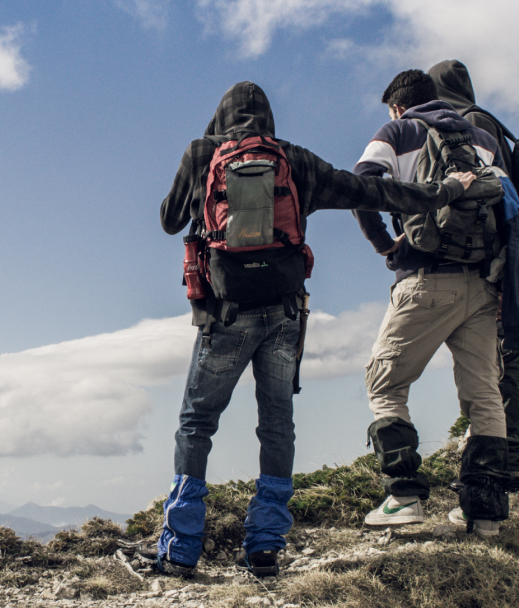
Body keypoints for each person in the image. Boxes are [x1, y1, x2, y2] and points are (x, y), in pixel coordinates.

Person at [153, 81, 475, 578]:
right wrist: (447, 191)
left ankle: (180, 547)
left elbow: (170, 221)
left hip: (225, 314)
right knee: (277, 424)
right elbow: (372, 189)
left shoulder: (204, 153)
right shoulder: (294, 160)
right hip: (284, 315)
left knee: (197, 422)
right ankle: (264, 546)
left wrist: (203, 169)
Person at [350, 69, 512, 535]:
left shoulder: (398, 131)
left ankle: (404, 497)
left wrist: (386, 244)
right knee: (483, 393)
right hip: (483, 283)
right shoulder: (481, 138)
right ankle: (484, 514)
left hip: (426, 278)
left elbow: (363, 185)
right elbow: (505, 204)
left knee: (385, 383)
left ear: (398, 106)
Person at [428, 59, 519, 494]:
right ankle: (513, 458)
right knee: (503, 353)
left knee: (506, 354)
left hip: (497, 261)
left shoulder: (468, 125)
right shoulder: (487, 121)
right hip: (511, 254)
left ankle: (514, 463)